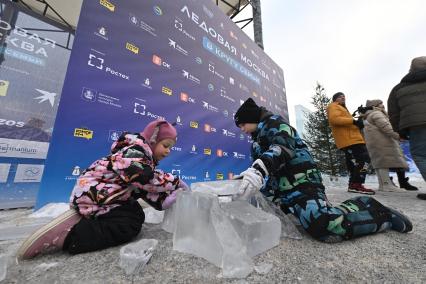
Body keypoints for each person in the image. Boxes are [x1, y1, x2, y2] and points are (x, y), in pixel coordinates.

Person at [234, 98, 412, 243]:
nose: (241, 129)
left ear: (252, 117)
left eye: (242, 124)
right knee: (266, 219)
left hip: (302, 185)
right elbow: (266, 169)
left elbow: (282, 148)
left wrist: (258, 169)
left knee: (323, 225)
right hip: (281, 192)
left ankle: (378, 212)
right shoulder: (256, 142)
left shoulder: (275, 124)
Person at [17, 119, 188, 259]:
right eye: (165, 145)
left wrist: (163, 201)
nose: (168, 152)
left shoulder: (140, 157)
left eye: (170, 148)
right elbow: (143, 177)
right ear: (152, 140)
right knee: (129, 225)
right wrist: (175, 182)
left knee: (135, 213)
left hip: (106, 197)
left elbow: (141, 188)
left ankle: (87, 219)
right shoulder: (134, 152)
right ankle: (70, 236)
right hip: (95, 197)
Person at [361, 99, 417, 191]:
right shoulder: (377, 114)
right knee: (384, 162)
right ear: (375, 106)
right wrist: (398, 136)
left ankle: (382, 185)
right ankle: (387, 185)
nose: (382, 105)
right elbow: (387, 127)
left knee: (379, 162)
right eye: (380, 104)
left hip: (374, 142)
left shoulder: (367, 116)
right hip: (383, 141)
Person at [327, 92, 375, 195]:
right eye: (340, 96)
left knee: (354, 163)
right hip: (350, 140)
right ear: (335, 99)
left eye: (344, 96)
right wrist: (354, 121)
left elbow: (347, 122)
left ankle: (353, 184)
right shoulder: (333, 106)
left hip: (351, 139)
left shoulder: (343, 108)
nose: (343, 98)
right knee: (364, 159)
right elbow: (334, 119)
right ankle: (356, 184)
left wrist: (359, 120)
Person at [388, 56, 426, 184]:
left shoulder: (398, 88)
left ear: (411, 69)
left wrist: (399, 131)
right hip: (416, 125)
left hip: (417, 126)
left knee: (421, 155)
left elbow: (394, 113)